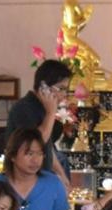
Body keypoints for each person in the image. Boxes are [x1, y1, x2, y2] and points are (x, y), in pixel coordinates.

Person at [6, 59, 72, 188]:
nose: (64, 95)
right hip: (24, 182)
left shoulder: (43, 108)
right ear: (44, 87)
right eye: (61, 89)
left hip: (41, 179)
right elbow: (36, 143)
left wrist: (60, 173)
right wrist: (51, 113)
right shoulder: (24, 108)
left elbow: (48, 146)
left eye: (66, 90)